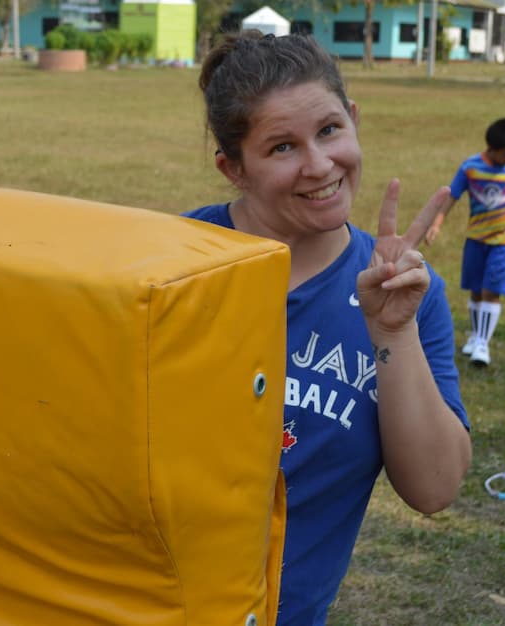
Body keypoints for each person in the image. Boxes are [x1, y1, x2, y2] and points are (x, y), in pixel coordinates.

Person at [184, 32, 471, 625]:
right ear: (233, 168)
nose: (319, 165)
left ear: (354, 119)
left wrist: (391, 333)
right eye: (282, 147)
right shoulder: (175, 264)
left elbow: (435, 487)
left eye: (330, 130)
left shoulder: (409, 295)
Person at [424, 117, 505, 367]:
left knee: (491, 291)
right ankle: (475, 336)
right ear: (492, 148)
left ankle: (483, 343)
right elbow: (451, 196)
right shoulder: (470, 167)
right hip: (476, 239)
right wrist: (436, 224)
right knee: (475, 290)